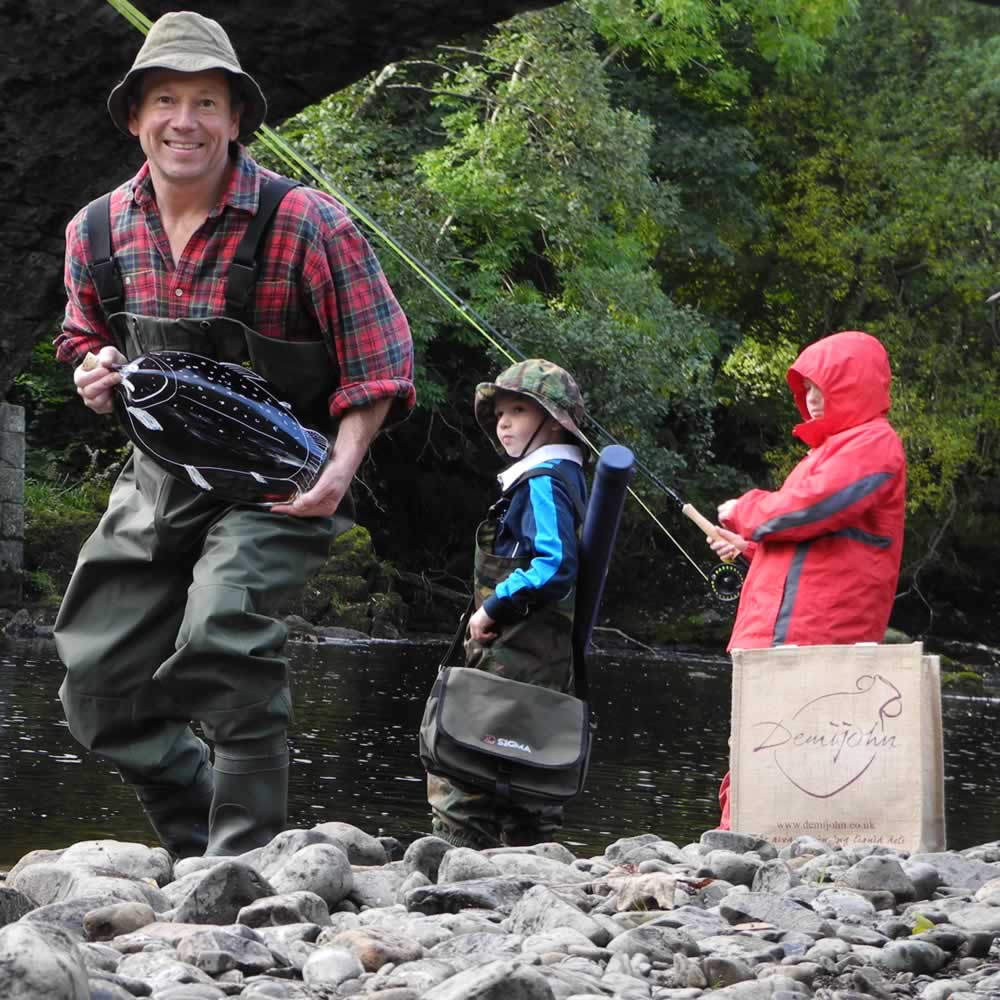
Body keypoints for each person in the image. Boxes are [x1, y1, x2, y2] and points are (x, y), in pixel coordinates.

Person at [52, 11, 414, 858]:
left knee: (222, 629)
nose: (187, 120)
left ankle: (244, 859)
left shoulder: (309, 224)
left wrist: (340, 471)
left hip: (281, 482)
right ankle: (202, 838)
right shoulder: (94, 230)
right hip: (156, 482)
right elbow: (81, 335)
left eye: (208, 102)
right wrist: (93, 372)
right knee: (96, 689)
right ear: (136, 117)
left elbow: (382, 367)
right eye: (168, 101)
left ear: (237, 120)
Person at [707, 330, 906, 829]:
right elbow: (810, 540)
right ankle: (742, 847)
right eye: (807, 389)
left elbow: (807, 511)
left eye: (822, 386)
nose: (811, 399)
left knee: (792, 747)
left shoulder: (874, 445)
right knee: (760, 745)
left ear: (853, 385)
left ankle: (758, 848)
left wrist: (746, 511)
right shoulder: (829, 452)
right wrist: (750, 546)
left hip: (817, 632)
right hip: (783, 629)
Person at [427, 359, 589, 848]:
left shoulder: (544, 480)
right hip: (536, 655)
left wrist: (492, 606)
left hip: (520, 652)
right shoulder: (558, 477)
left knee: (472, 757)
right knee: (526, 760)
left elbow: (554, 563)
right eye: (500, 413)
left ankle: (456, 858)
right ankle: (527, 859)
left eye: (519, 410)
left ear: (554, 421)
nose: (504, 423)